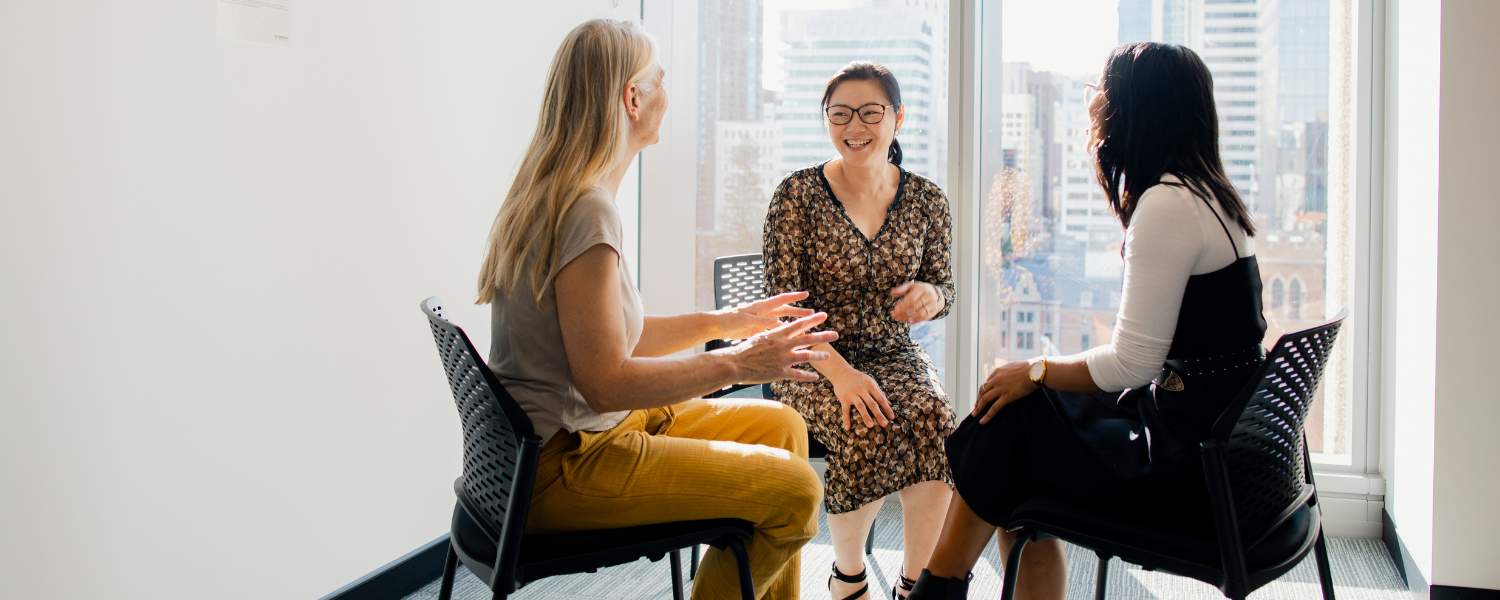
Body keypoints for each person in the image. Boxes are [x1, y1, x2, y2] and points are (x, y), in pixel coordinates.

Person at [475, 19, 837, 599]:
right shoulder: (586, 212)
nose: (668, 95)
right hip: (567, 462)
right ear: (632, 98)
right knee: (797, 492)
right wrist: (739, 365)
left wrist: (728, 323)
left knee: (785, 427)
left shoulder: (558, 191)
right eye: (660, 80)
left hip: (567, 440)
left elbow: (610, 341)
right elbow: (607, 383)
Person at [908, 43, 1269, 599]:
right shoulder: (1211, 195)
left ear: (1130, 110)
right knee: (1012, 434)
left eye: (1100, 96)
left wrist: (1036, 370)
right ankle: (940, 586)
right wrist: (1035, 379)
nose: (1093, 110)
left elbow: (1132, 362)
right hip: (1215, 443)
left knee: (1004, 426)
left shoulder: (1167, 206)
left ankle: (937, 588)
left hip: (1187, 473)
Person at [763, 61, 957, 600]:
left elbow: (945, 289)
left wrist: (931, 296)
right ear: (825, 119)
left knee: (934, 419)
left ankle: (916, 583)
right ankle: (847, 575)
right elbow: (782, 311)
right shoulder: (796, 197)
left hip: (893, 352)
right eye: (840, 114)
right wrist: (842, 374)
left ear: (898, 118)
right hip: (808, 359)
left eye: (870, 113)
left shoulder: (927, 201)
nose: (855, 126)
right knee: (862, 417)